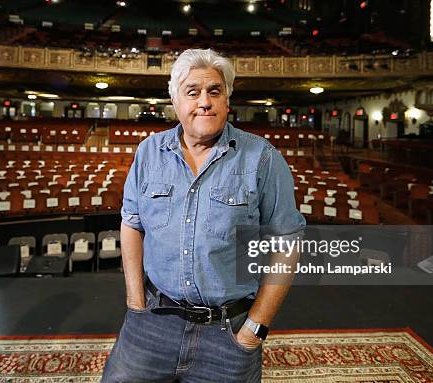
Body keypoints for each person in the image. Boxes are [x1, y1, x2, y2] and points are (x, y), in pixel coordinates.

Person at [102, 48, 306, 382]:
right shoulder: (149, 152)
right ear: (175, 101)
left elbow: (287, 243)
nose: (204, 102)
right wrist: (135, 301)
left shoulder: (263, 158)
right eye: (192, 92)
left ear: (228, 100)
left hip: (229, 332)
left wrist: (255, 328)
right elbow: (132, 223)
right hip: (152, 321)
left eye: (215, 91)